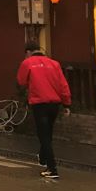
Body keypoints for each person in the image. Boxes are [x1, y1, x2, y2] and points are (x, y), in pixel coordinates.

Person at [17, 41, 71, 181]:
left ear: (28, 52)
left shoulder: (27, 63)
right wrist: (67, 104)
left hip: (39, 104)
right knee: (48, 133)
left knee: (43, 136)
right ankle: (43, 157)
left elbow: (21, 81)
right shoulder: (54, 64)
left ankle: (52, 169)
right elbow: (63, 85)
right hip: (54, 104)